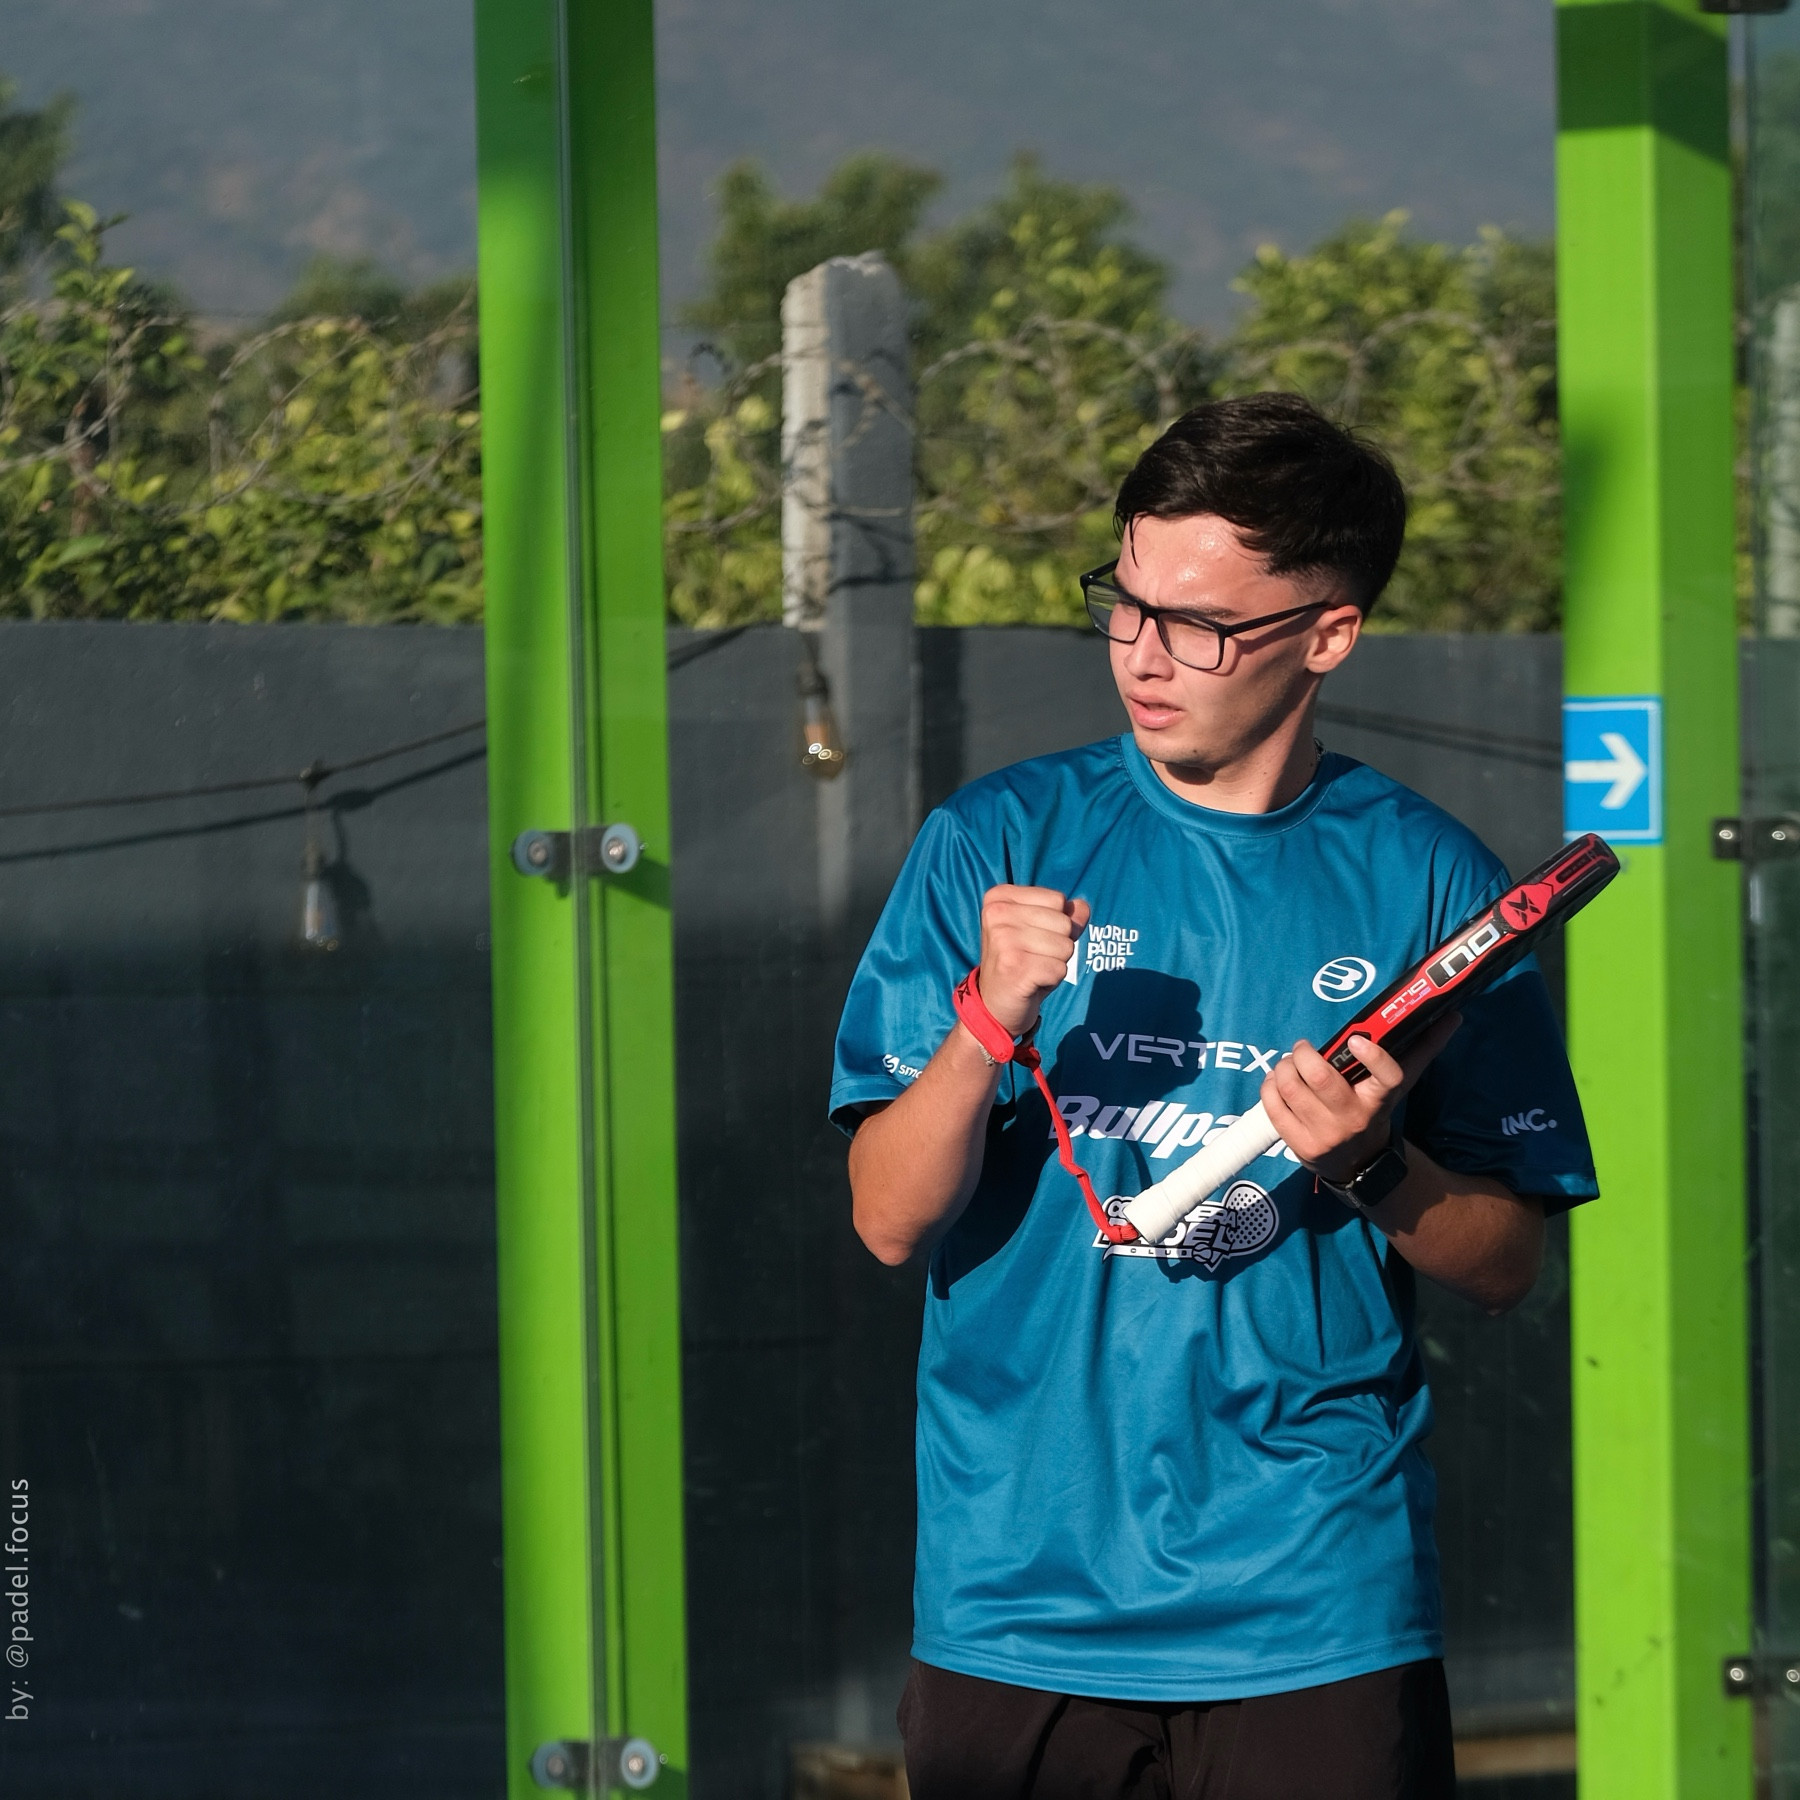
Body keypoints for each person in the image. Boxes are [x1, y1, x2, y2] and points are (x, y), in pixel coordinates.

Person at [828, 392, 1598, 1800]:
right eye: (1124, 603)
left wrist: (1375, 1168)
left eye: (1199, 624)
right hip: (1018, 1602)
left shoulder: (1431, 879)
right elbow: (887, 1220)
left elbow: (1504, 1263)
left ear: (1328, 635)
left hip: (1318, 1605)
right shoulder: (996, 839)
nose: (1142, 652)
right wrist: (986, 1024)